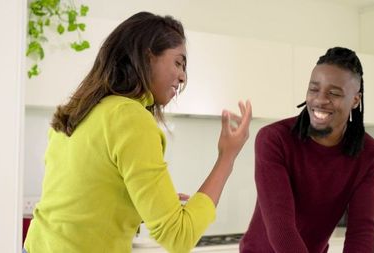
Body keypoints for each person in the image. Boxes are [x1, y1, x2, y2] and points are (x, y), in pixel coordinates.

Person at [23, 11, 252, 253]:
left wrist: (140, 203)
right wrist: (227, 156)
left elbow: (80, 204)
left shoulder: (78, 113)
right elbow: (179, 236)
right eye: (178, 62)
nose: (183, 76)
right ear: (147, 56)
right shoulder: (130, 117)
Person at [239, 47, 374, 253]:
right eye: (314, 89)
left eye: (334, 93)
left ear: (355, 100)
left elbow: (361, 231)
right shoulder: (274, 139)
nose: (320, 100)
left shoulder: (368, 153)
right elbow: (281, 228)